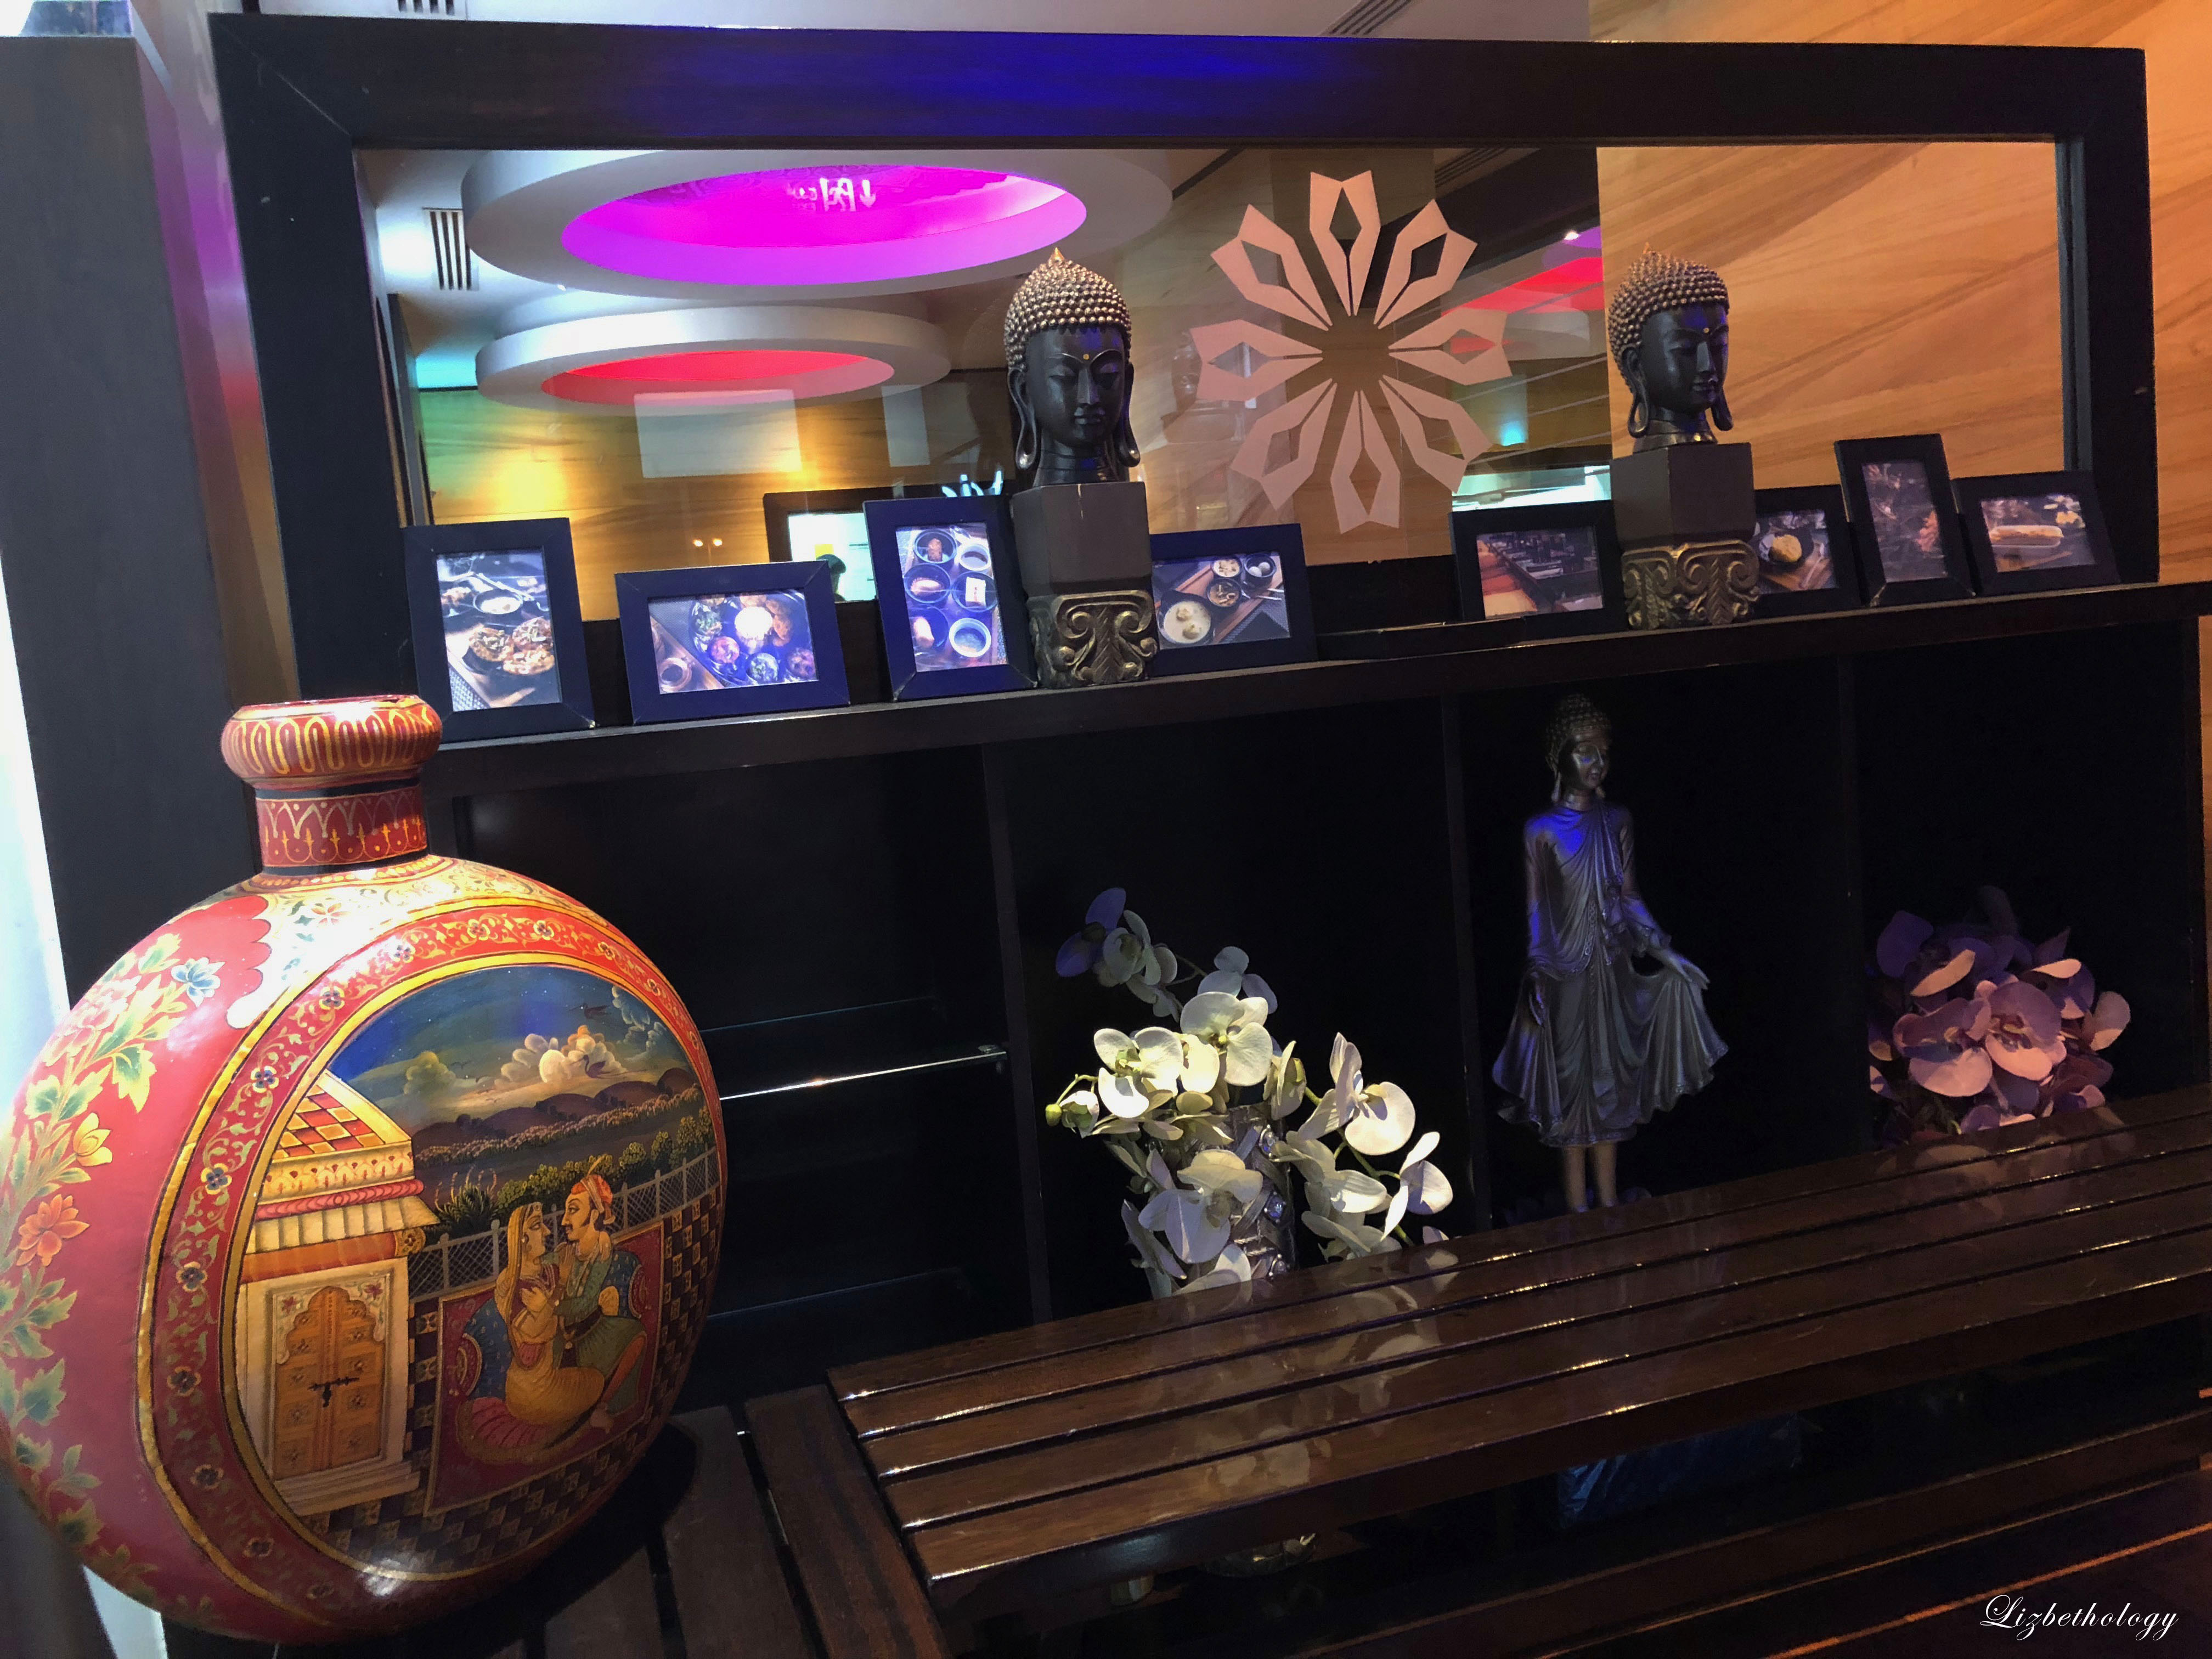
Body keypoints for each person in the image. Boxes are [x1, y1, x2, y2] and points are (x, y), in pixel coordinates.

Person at [1493, 695, 1725, 1210]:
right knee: (1571, 1087)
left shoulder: (1617, 819)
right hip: (1563, 973)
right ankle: (1578, 1207)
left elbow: (1629, 897)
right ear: (1558, 757)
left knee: (1611, 1082)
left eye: (1603, 752)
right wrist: (1536, 971)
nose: (1597, 762)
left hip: (1612, 965)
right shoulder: (1541, 830)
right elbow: (1537, 912)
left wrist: (1667, 955)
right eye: (1585, 751)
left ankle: (1610, 1201)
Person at [491, 1201, 606, 1427]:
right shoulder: (511, 1284)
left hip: (553, 1371)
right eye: (537, 1226)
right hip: (531, 1390)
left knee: (595, 1378)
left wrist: (601, 1238)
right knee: (596, 1384)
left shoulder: (548, 1270)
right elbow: (534, 1330)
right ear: (522, 1239)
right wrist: (554, 1296)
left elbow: (578, 1252)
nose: (547, 1232)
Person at [552, 1166, 648, 1432]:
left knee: (636, 1334)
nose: (564, 1221)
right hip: (566, 1336)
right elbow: (542, 1263)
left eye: (573, 1210)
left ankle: (603, 1405)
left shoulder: (601, 1251)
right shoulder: (568, 1251)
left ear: (594, 1215)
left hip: (588, 1331)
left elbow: (585, 1304)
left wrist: (552, 1306)